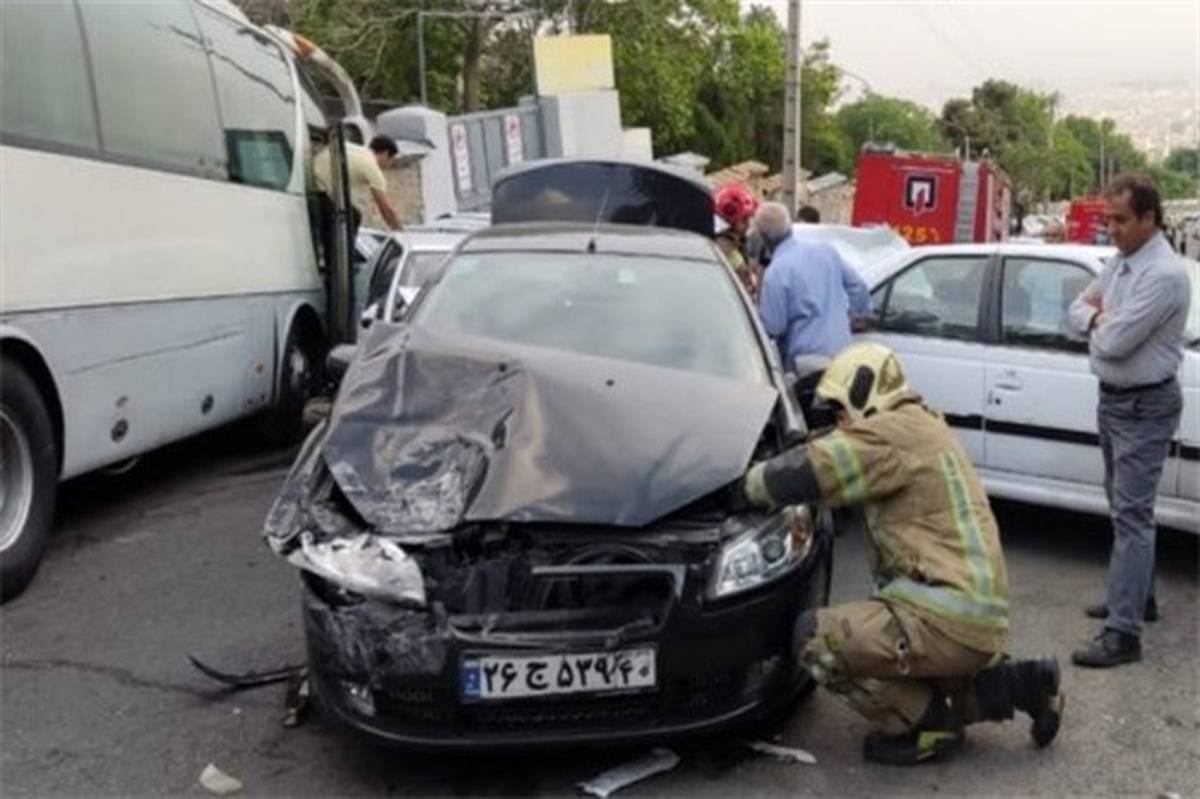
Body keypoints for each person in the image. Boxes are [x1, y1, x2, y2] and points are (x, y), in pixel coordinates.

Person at [735, 342, 1063, 765]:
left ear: (863, 391)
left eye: (839, 410)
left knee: (817, 640)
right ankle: (1029, 685)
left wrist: (740, 485)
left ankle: (930, 728)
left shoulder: (886, 434)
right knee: (930, 679)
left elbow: (809, 471)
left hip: (943, 616)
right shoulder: (923, 425)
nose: (838, 422)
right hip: (978, 616)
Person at [1066, 175, 1190, 668]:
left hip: (1143, 405)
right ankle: (1137, 596)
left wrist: (1098, 323)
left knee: (1131, 517)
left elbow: (1115, 344)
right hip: (1115, 400)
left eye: (1120, 220)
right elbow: (1074, 310)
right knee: (1123, 506)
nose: (1110, 229)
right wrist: (1099, 320)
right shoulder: (1122, 264)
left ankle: (1123, 633)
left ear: (1148, 219)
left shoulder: (1163, 275)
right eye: (1107, 219)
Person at [755, 202, 872, 365]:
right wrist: (852, 318)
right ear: (790, 226)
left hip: (805, 363)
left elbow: (774, 326)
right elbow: (858, 287)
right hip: (842, 354)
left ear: (763, 237)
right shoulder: (826, 251)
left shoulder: (776, 273)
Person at [313, 134, 403, 234]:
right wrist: (399, 231)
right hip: (319, 191)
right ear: (386, 154)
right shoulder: (372, 168)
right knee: (353, 218)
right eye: (392, 161)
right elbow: (386, 210)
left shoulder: (354, 149)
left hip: (309, 178)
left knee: (352, 213)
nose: (390, 166)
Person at [714, 183, 760, 297]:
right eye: (744, 219)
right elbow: (748, 287)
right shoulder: (728, 251)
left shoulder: (720, 242)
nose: (748, 225)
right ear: (731, 219)